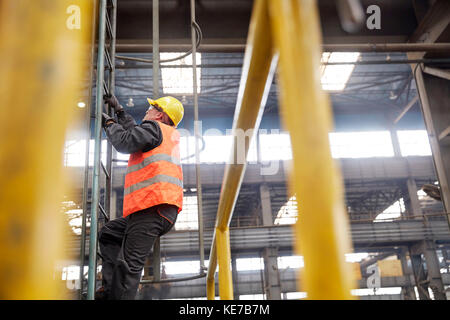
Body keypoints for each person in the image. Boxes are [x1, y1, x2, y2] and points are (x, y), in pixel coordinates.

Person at [96, 94, 184, 300]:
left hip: (153, 208)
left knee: (129, 267)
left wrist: (109, 123)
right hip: (157, 210)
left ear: (160, 116)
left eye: (151, 108)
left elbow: (125, 142)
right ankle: (109, 291)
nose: (147, 110)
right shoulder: (163, 133)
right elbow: (136, 133)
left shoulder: (154, 130)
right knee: (109, 233)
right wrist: (119, 112)